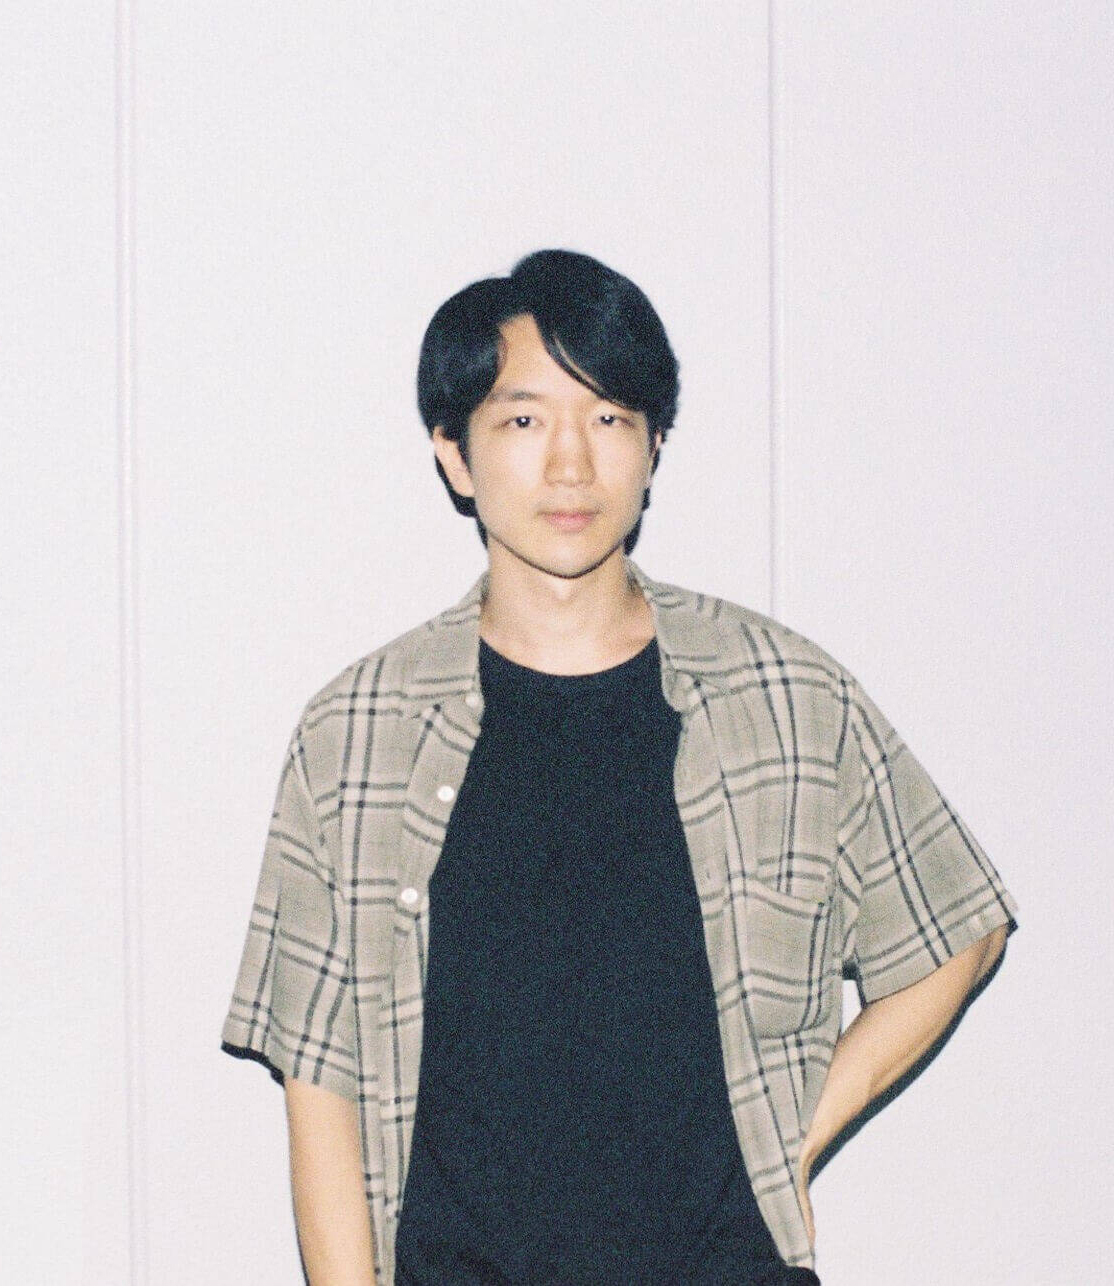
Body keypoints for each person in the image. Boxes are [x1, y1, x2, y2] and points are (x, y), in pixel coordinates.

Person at [222, 248, 1020, 1285]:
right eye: (523, 420)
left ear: (652, 449)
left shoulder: (781, 694)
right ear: (455, 455)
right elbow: (319, 1076)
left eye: (608, 417)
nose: (571, 463)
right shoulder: (359, 730)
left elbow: (961, 921)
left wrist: (793, 1136)